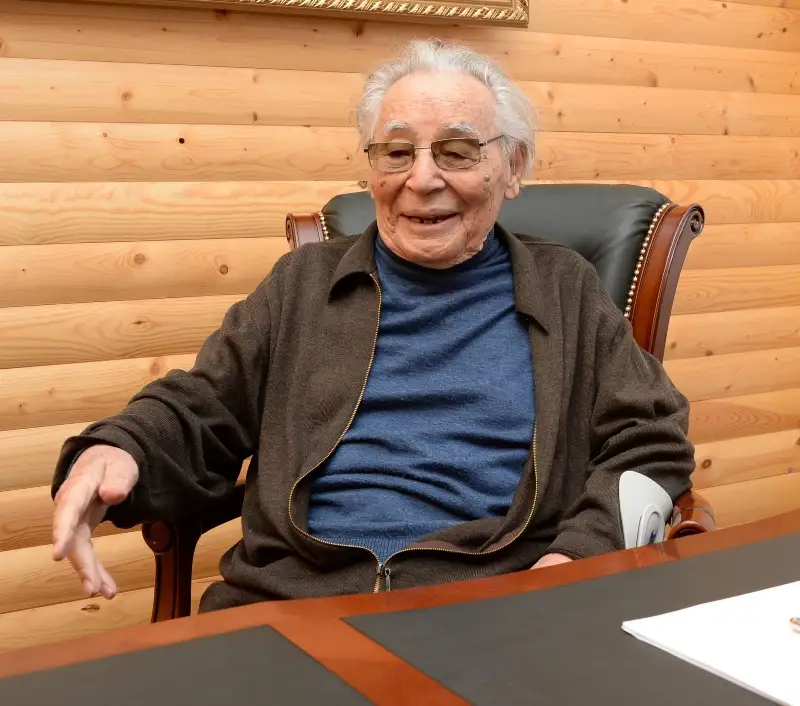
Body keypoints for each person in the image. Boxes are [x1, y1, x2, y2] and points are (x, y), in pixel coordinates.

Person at [50, 39, 695, 612]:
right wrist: (119, 448)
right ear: (371, 167)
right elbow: (202, 407)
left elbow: (650, 440)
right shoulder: (303, 284)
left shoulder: (565, 289)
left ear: (513, 167)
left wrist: (575, 560)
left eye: (457, 151)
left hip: (492, 607)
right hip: (289, 603)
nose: (422, 179)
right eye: (396, 152)